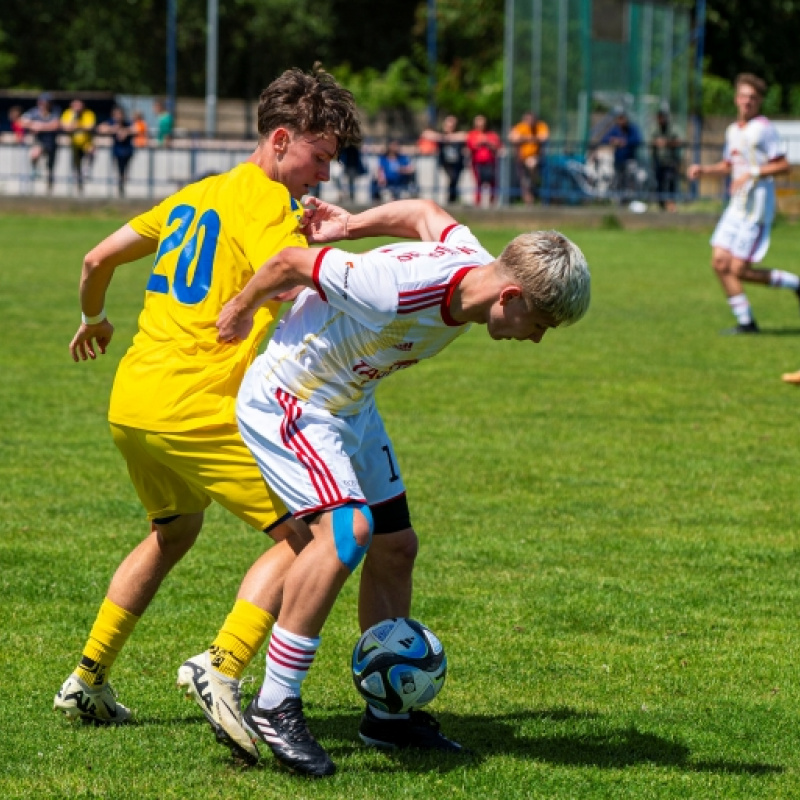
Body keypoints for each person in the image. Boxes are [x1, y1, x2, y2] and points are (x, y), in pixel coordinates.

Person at [199, 197, 591, 777]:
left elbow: (426, 213)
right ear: (510, 297)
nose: (535, 340)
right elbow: (288, 261)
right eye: (540, 325)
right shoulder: (395, 287)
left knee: (395, 546)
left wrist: (349, 224)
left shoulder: (474, 262)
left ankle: (387, 715)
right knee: (347, 530)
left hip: (349, 405)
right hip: (292, 398)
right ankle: (275, 703)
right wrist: (239, 308)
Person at [52, 66, 362, 767]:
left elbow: (96, 256)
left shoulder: (198, 194)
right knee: (315, 535)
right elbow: (295, 269)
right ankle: (220, 665)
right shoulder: (267, 203)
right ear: (281, 140)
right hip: (195, 404)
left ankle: (87, 678)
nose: (321, 176)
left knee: (172, 530)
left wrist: (93, 318)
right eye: (318, 158)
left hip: (132, 400)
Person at [687, 73, 798, 335]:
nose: (747, 101)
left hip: (756, 210)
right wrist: (704, 170)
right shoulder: (733, 130)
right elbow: (729, 165)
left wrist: (754, 173)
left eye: (753, 97)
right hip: (736, 207)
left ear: (759, 102)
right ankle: (746, 322)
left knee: (739, 269)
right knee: (719, 263)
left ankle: (795, 283)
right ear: (736, 99)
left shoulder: (764, 129)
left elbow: (783, 165)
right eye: (744, 96)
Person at [419, 114, 468, 205]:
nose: (450, 126)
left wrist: (448, 138)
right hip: (445, 163)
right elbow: (426, 134)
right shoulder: (440, 133)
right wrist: (443, 137)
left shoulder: (459, 134)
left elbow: (464, 136)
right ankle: (449, 200)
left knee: (455, 180)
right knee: (450, 179)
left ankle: (452, 200)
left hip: (457, 163)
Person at [19, 93, 61, 193]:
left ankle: (49, 190)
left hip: (51, 142)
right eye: (42, 102)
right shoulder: (34, 112)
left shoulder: (55, 111)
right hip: (39, 141)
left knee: (50, 168)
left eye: (46, 103)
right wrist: (33, 125)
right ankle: (35, 170)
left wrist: (40, 126)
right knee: (35, 153)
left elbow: (56, 125)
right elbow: (22, 121)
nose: (43, 105)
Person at [600, 109, 643, 202]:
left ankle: (632, 199)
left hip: (630, 159)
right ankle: (619, 200)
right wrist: (613, 140)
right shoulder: (615, 130)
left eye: (623, 119)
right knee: (618, 180)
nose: (621, 121)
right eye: (619, 119)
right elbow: (604, 139)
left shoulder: (632, 129)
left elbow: (638, 140)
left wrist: (625, 142)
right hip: (618, 160)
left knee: (630, 179)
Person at [508, 110, 549, 204]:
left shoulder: (540, 126)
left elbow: (544, 137)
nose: (529, 122)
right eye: (527, 120)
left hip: (536, 157)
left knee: (531, 164)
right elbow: (512, 137)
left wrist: (524, 138)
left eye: (531, 120)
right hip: (521, 159)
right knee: (523, 180)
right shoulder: (521, 127)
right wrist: (530, 138)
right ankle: (528, 198)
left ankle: (533, 181)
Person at [97, 106, 135, 197]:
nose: (118, 117)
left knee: (125, 170)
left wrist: (126, 131)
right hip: (117, 151)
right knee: (119, 170)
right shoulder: (112, 123)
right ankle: (120, 186)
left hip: (127, 150)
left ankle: (122, 186)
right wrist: (113, 129)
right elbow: (100, 128)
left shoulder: (127, 123)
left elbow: (136, 129)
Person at [61, 99, 97, 194]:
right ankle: (78, 183)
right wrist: (77, 124)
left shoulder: (88, 114)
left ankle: (87, 170)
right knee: (76, 166)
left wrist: (77, 125)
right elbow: (65, 127)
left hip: (86, 143)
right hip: (73, 144)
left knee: (91, 151)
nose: (77, 108)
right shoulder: (68, 114)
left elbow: (90, 126)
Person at [465, 114, 501, 206]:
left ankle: (492, 203)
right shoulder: (472, 134)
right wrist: (480, 142)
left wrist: (487, 142)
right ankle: (477, 203)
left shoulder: (491, 134)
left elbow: (497, 146)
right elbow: (471, 146)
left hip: (490, 162)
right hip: (477, 162)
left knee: (492, 183)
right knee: (478, 183)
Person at [651, 106, 682, 212]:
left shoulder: (672, 128)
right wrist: (656, 143)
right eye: (659, 117)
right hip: (659, 161)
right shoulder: (655, 128)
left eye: (663, 117)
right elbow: (649, 140)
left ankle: (671, 205)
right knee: (659, 183)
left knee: (670, 183)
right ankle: (661, 205)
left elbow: (678, 141)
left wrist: (666, 143)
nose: (661, 120)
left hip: (670, 161)